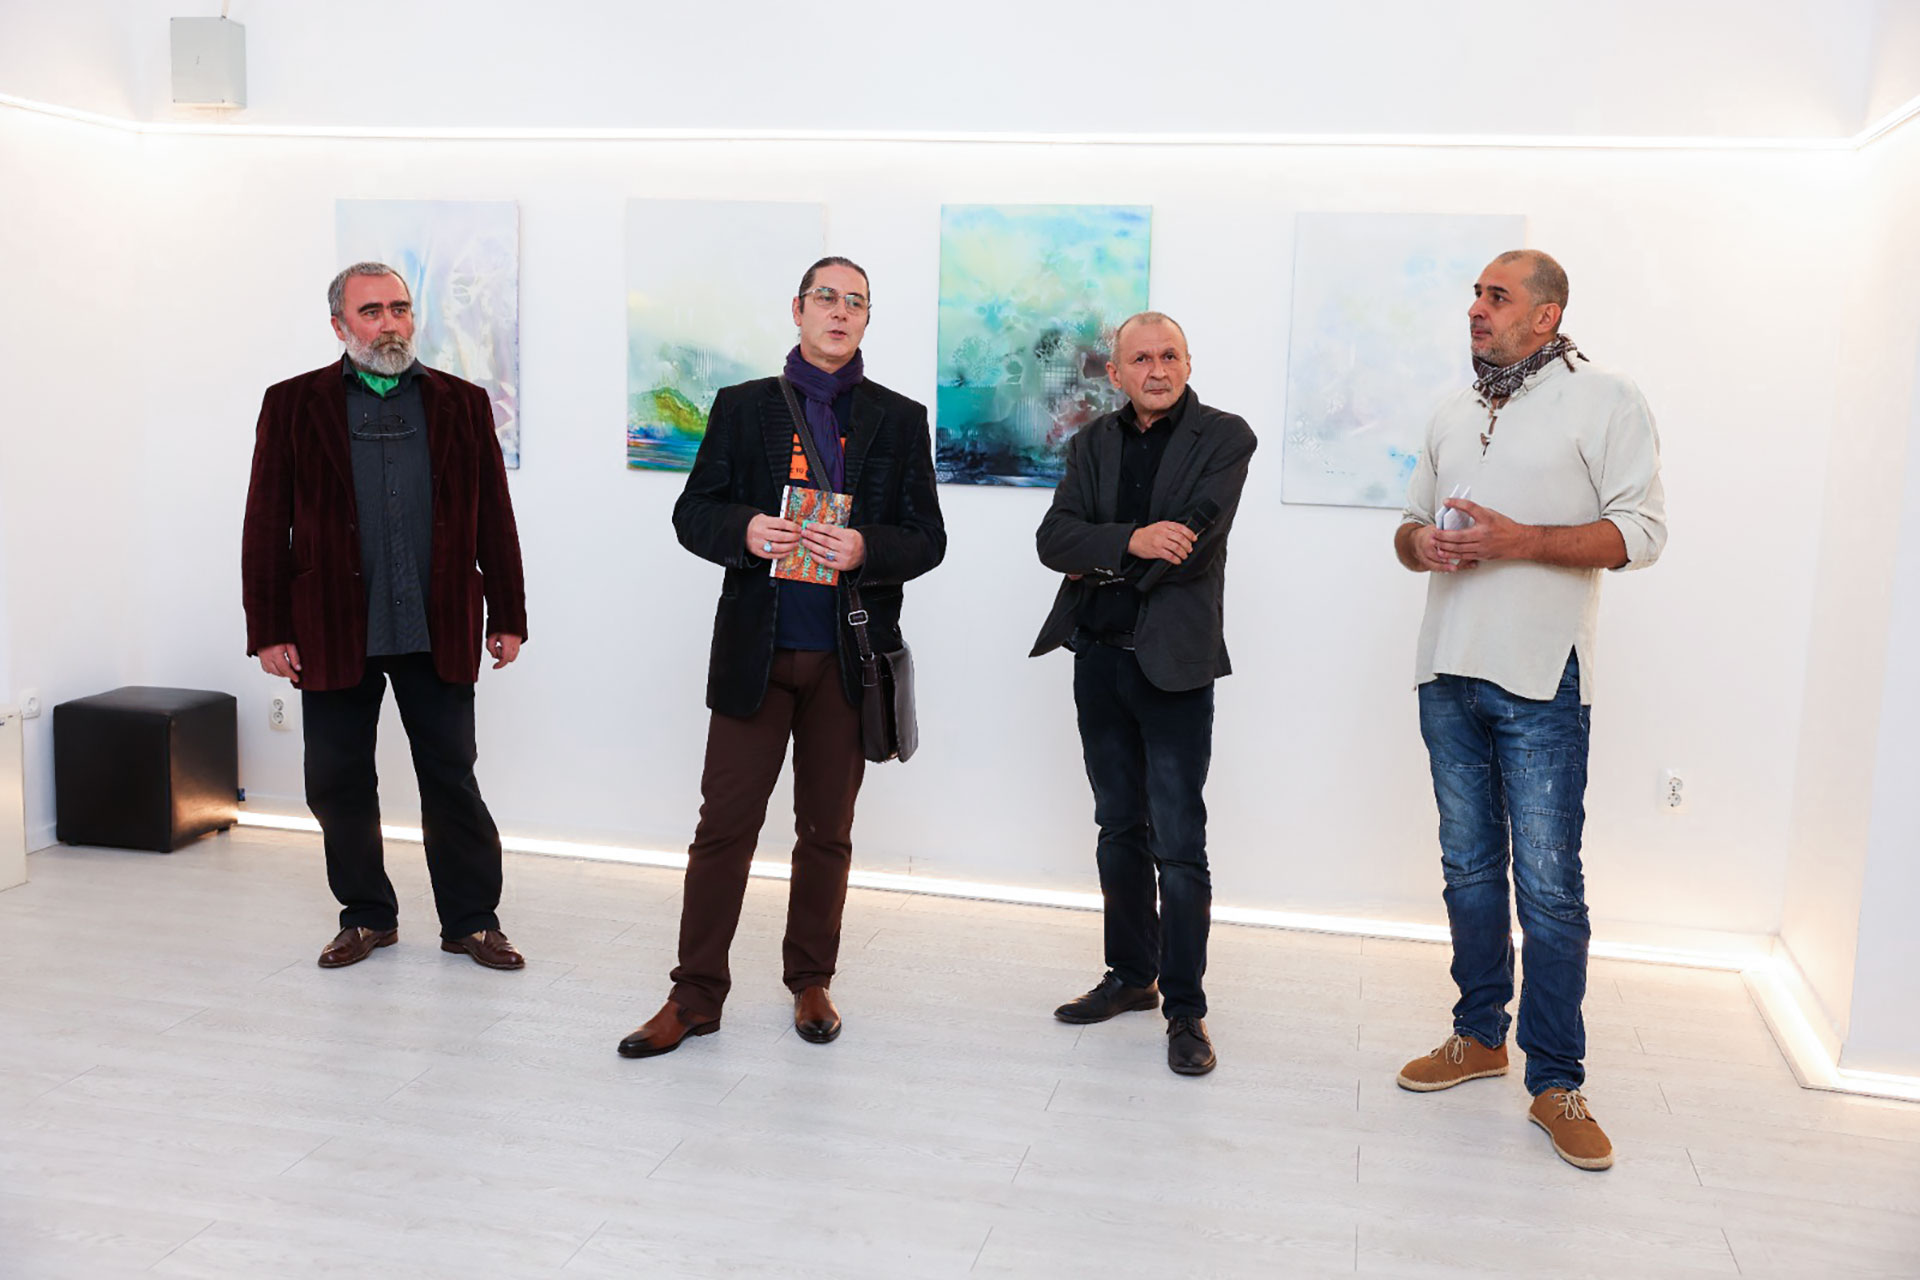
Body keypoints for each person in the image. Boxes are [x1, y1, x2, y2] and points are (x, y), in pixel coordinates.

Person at [618, 256, 946, 1059]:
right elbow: (693, 512)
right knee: (723, 829)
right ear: (798, 310)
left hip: (847, 658)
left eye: (856, 302)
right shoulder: (743, 407)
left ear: (866, 319)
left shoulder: (900, 418)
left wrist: (865, 547)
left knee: (826, 832)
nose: (840, 311)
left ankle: (811, 981)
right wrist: (744, 530)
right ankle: (695, 995)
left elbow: (928, 539)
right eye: (826, 297)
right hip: (755, 654)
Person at [1392, 250, 1666, 1171]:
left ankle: (1556, 1082)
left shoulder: (1606, 399)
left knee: (1549, 889)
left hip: (1543, 679)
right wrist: (1423, 545)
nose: (1476, 308)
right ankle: (1479, 1036)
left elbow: (1640, 533)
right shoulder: (1453, 409)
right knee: (1467, 869)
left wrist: (1520, 541)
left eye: (1497, 296)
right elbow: (1405, 527)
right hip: (1446, 671)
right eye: (1474, 294)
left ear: (1546, 315)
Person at [242, 262, 529, 971]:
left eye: (400, 309)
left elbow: (495, 515)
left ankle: (472, 922)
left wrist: (508, 613)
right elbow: (265, 523)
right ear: (339, 325)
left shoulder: (462, 403)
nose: (390, 323)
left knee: (452, 778)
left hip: (438, 623)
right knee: (336, 780)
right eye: (371, 312)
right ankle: (367, 915)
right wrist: (269, 629)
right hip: (332, 627)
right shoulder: (292, 404)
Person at [1031, 311, 1256, 1077]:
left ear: (1188, 364)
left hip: (1175, 668)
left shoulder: (1225, 438)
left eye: (1169, 356)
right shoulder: (1091, 443)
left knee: (1179, 845)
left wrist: (1098, 554)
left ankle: (1186, 1010)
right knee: (1117, 828)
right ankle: (1131, 976)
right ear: (1116, 373)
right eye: (1140, 359)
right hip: (1098, 659)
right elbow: (1052, 540)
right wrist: (1130, 539)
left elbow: (1190, 546)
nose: (1156, 370)